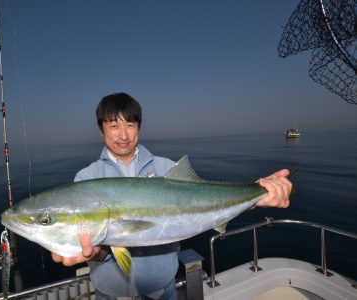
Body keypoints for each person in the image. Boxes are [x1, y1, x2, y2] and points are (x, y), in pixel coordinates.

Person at [52, 92, 292, 300]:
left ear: (139, 127)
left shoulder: (167, 168)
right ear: (101, 128)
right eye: (114, 126)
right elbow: (99, 242)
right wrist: (98, 252)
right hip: (111, 292)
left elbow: (205, 205)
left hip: (162, 289)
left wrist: (258, 195)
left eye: (130, 125)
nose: (123, 134)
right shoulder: (87, 179)